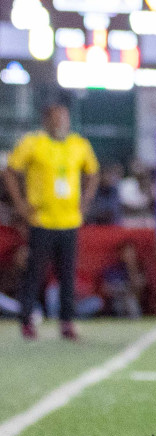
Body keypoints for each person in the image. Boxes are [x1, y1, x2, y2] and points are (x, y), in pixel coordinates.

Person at [3, 103, 99, 340]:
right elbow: (10, 171)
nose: (59, 123)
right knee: (34, 271)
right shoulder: (33, 143)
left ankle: (66, 321)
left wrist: (86, 200)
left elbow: (93, 172)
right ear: (46, 121)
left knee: (67, 274)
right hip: (41, 219)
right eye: (55, 118)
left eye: (63, 118)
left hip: (69, 221)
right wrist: (20, 203)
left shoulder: (79, 145)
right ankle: (27, 320)